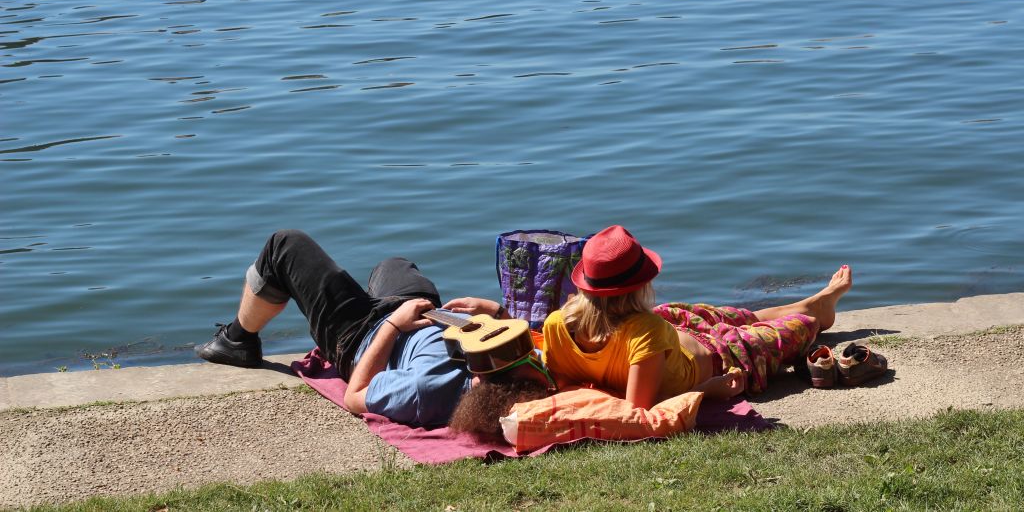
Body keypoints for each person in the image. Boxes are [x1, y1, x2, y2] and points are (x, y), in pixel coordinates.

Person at [196, 230, 552, 428]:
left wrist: (395, 324)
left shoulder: (423, 390)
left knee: (284, 247)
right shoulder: (529, 372)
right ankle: (353, 297)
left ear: (478, 380)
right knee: (395, 264)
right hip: (425, 314)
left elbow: (355, 395)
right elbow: (533, 346)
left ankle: (238, 341)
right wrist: (497, 311)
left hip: (362, 336)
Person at [541, 225, 853, 408]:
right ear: (639, 286)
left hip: (674, 326)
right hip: (724, 355)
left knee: (747, 317)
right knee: (797, 329)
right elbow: (640, 412)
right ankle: (817, 309)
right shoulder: (643, 329)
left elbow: (566, 388)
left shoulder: (556, 324)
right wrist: (709, 390)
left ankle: (816, 301)